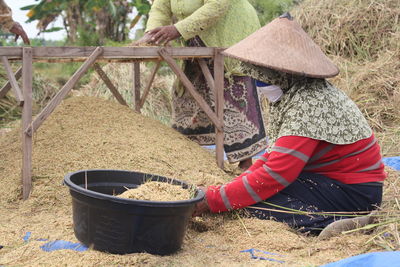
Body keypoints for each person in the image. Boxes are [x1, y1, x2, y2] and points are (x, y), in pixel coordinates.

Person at [193, 13, 387, 235]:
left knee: (256, 207)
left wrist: (213, 199)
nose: (258, 84)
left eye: (262, 78)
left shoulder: (310, 103)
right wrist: (237, 184)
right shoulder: (294, 95)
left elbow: (276, 174)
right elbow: (275, 156)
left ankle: (335, 222)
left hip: (353, 192)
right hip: (326, 180)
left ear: (282, 74)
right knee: (247, 195)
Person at [136, 0, 267, 170]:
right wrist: (151, 34)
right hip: (196, 38)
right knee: (187, 95)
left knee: (232, 97)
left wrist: (177, 29)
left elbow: (217, 5)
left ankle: (246, 166)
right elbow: (160, 8)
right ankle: (192, 161)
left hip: (229, 32)